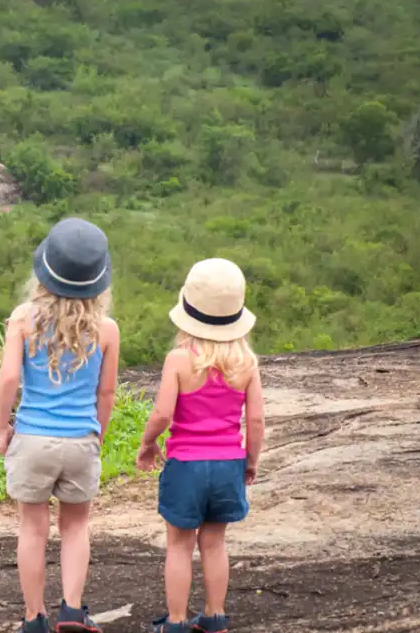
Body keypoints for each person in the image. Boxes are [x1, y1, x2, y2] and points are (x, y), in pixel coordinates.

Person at [0, 217, 121, 633]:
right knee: (76, 527)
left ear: (44, 271)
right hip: (80, 439)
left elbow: (9, 379)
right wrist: (97, 431)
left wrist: (2, 427)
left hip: (31, 438)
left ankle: (34, 618)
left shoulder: (22, 319)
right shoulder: (107, 329)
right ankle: (71, 611)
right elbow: (106, 394)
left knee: (32, 528)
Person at [136, 258, 265, 633]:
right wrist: (251, 461)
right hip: (228, 466)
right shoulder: (247, 363)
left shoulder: (178, 360)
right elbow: (255, 421)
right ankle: (214, 616)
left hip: (186, 466)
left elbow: (162, 414)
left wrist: (148, 443)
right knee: (214, 544)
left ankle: (175, 622)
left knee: (179, 546)